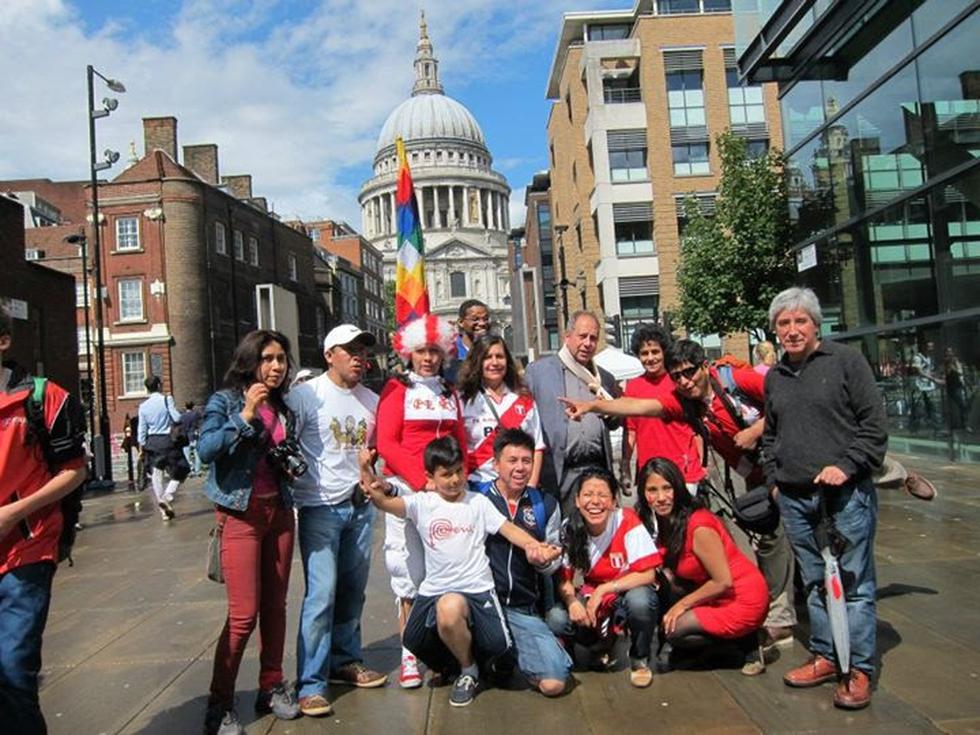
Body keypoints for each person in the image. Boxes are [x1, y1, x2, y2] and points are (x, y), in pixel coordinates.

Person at [560, 339, 798, 653]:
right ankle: (770, 607)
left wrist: (755, 431)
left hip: (790, 465)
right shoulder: (686, 402)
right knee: (770, 540)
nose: (685, 381)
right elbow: (638, 407)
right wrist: (592, 406)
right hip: (755, 475)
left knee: (784, 540)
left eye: (690, 372)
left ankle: (781, 617)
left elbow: (791, 397)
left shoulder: (735, 378)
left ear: (705, 367)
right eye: (677, 376)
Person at [364, 436, 560, 707]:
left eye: (459, 471)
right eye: (446, 474)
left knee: (498, 646)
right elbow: (383, 503)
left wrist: (534, 545)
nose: (455, 480)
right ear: (430, 477)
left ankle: (469, 669)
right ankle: (460, 663)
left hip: (478, 590)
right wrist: (366, 470)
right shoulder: (422, 503)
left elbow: (508, 529)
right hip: (435, 591)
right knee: (414, 639)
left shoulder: (478, 502)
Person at [762, 287, 888, 710]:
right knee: (815, 582)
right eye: (784, 323)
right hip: (795, 498)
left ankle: (859, 668)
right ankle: (826, 655)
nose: (792, 330)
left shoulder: (846, 362)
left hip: (844, 495)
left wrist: (846, 466)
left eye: (800, 321)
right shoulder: (776, 376)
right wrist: (775, 479)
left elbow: (874, 426)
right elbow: (771, 435)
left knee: (854, 584)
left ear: (816, 324)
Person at [198, 330, 301, 734]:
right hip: (240, 516)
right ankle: (219, 703)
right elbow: (206, 450)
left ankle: (271, 685)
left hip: (280, 512)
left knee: (276, 607)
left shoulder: (283, 406)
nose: (277, 367)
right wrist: (244, 415)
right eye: (268, 359)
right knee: (243, 615)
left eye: (282, 359)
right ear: (250, 361)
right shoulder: (224, 401)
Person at [286, 324, 387, 718]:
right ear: (329, 355)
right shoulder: (305, 396)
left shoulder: (372, 400)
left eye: (363, 351)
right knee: (321, 594)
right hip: (320, 508)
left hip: (359, 506)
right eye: (350, 350)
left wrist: (373, 477)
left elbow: (375, 452)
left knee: (352, 591)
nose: (359, 357)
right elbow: (284, 443)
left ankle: (344, 660)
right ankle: (310, 683)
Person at [0, 308, 87, 734]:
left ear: (3, 341)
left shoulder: (44, 397)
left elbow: (75, 470)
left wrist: (14, 512)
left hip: (26, 548)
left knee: (14, 669)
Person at [376, 313, 469, 688]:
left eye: (434, 351)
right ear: (408, 353)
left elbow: (460, 441)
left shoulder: (449, 391)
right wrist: (421, 480)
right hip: (408, 490)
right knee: (408, 572)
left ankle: (441, 650)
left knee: (443, 571)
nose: (428, 358)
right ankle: (409, 653)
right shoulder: (396, 389)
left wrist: (459, 480)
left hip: (445, 492)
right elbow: (387, 442)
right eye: (421, 351)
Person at [636, 457, 768, 672]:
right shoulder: (664, 521)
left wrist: (682, 605)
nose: (660, 498)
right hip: (712, 593)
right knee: (664, 582)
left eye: (667, 488)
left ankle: (745, 642)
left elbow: (723, 581)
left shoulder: (699, 525)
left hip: (741, 596)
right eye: (652, 490)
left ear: (678, 488)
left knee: (673, 630)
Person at [472, 429, 569, 696]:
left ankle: (516, 652)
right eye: (512, 460)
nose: (520, 468)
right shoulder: (476, 499)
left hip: (521, 608)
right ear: (496, 464)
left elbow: (555, 558)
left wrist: (542, 561)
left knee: (554, 683)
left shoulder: (545, 504)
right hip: (482, 606)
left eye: (526, 461)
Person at [546, 468, 660, 688]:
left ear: (614, 501)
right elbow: (564, 579)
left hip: (623, 591)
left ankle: (640, 659)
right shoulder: (570, 528)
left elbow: (648, 574)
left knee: (641, 601)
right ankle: (587, 648)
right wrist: (572, 602)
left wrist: (605, 589)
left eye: (602, 495)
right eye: (588, 495)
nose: (595, 502)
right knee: (556, 618)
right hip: (590, 595)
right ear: (577, 500)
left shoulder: (627, 520)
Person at [526, 311, 621, 511]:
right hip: (559, 472)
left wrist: (610, 410)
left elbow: (614, 423)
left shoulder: (604, 378)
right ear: (567, 336)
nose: (588, 343)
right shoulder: (538, 373)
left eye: (593, 338)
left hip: (597, 468)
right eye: (582, 336)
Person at [620, 323, 702, 493]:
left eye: (655, 352)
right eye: (644, 353)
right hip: (649, 473)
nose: (650, 358)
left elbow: (697, 428)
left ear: (664, 352)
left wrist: (702, 464)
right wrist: (625, 465)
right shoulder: (633, 387)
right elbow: (630, 431)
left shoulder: (679, 381)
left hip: (683, 472)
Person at [458, 335, 545, 488]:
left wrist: (531, 487)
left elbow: (537, 446)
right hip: (477, 485)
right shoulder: (463, 399)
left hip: (516, 487)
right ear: (477, 361)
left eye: (499, 356)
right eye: (487, 357)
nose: (495, 362)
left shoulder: (524, 399)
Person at [137, 375, 190, 520]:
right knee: (182, 469)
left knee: (157, 474)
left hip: (152, 442)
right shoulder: (167, 399)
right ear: (159, 385)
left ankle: (163, 511)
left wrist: (141, 446)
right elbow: (176, 418)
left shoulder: (143, 406)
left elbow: (142, 429)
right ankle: (168, 496)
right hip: (168, 440)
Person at [444, 299, 491, 385]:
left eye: (485, 319)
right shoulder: (451, 353)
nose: (482, 323)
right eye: (475, 319)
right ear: (461, 322)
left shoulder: (494, 349)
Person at [178, 401, 203, 476]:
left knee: (187, 455)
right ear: (193, 406)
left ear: (185, 407)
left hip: (185, 437)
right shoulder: (196, 414)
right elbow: (200, 424)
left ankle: (191, 470)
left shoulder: (182, 416)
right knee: (197, 454)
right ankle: (198, 470)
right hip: (195, 436)